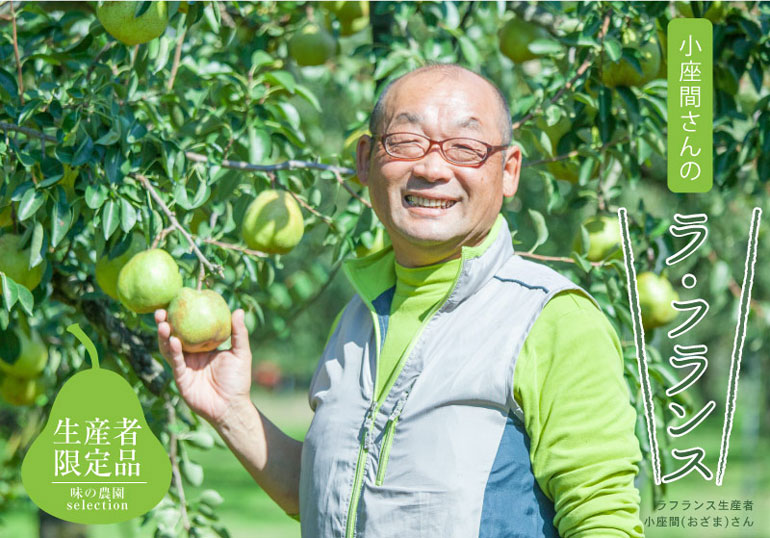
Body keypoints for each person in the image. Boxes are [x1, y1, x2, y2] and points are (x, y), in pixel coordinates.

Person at [156, 64, 645, 537]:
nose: (432, 168)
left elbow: (602, 518)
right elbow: (331, 497)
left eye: (465, 147)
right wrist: (231, 410)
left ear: (509, 170)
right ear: (366, 160)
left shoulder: (552, 318)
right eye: (407, 142)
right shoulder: (360, 317)